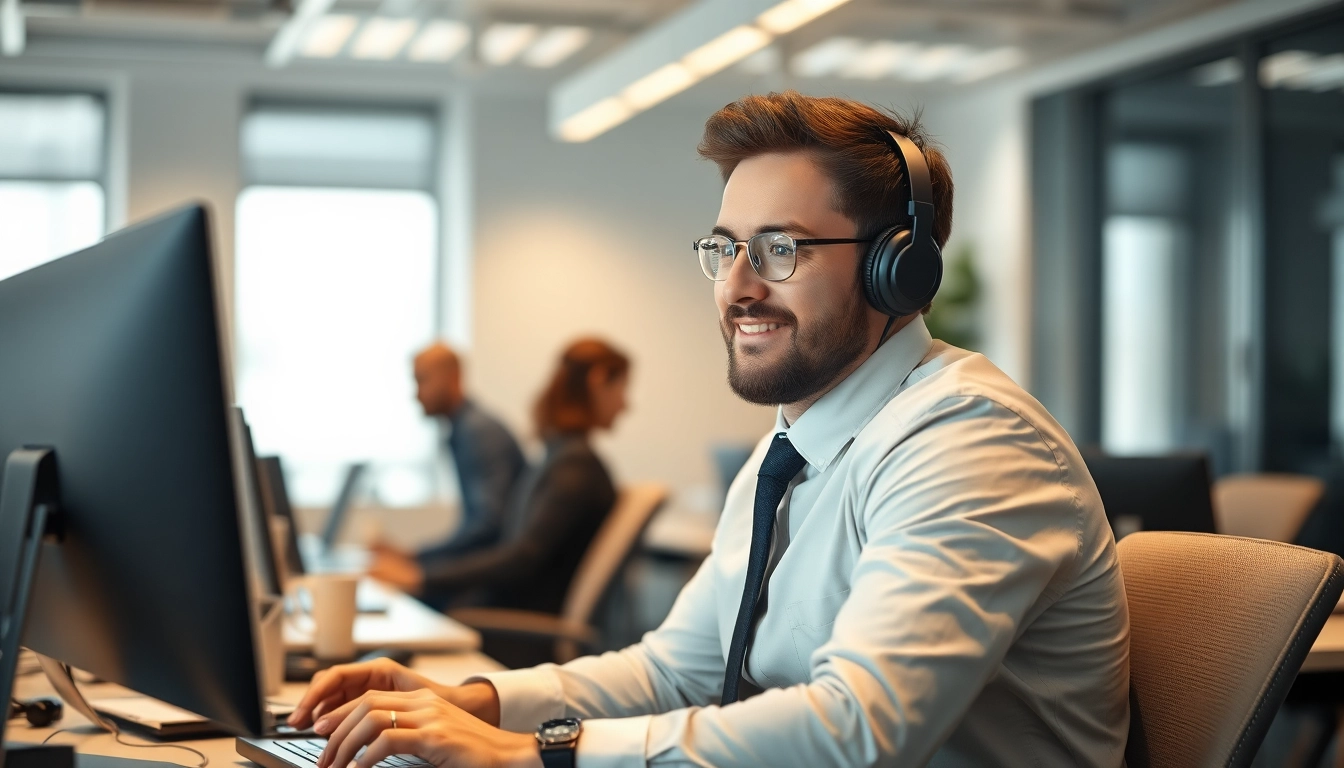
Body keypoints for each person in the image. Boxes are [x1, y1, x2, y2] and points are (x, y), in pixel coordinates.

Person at [288, 92, 1129, 767]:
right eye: (724, 249)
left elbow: (859, 732)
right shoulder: (788, 449)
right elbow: (675, 668)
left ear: (898, 269)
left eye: (779, 249)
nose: (736, 288)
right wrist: (478, 704)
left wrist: (536, 756)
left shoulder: (969, 442)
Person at [374, 339, 629, 626]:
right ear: (598, 381)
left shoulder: (573, 465)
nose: (626, 404)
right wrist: (423, 571)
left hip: (519, 627)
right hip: (508, 613)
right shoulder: (565, 458)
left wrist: (423, 575)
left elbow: (520, 557)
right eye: (623, 389)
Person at [370, 343, 527, 596]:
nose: (416, 394)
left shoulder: (479, 433)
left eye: (422, 380)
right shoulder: (465, 429)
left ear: (453, 377)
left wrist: (418, 560)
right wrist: (416, 559)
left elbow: (487, 529)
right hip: (484, 575)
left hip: (493, 586)